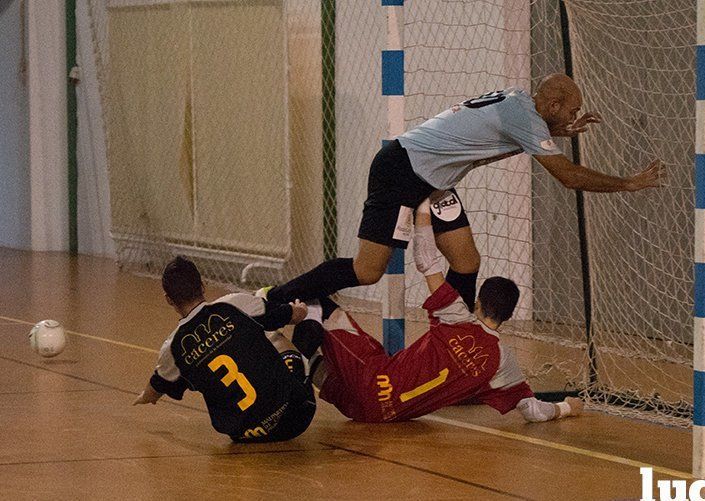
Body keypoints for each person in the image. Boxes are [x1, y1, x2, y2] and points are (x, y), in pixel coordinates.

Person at [264, 73, 664, 310]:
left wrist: (556, 129)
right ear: (554, 102)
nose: (574, 116)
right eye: (571, 111)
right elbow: (568, 177)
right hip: (402, 171)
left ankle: (451, 345)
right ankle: (276, 298)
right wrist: (628, 183)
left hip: (434, 183)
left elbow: (502, 135)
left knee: (466, 261)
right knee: (368, 272)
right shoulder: (523, 116)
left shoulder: (518, 102)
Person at [284, 200, 583, 424]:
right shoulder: (503, 362)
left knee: (316, 301)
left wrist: (423, 208)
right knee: (323, 369)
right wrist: (567, 407)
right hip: (379, 415)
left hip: (374, 381)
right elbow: (533, 411)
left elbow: (427, 261)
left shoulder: (456, 317)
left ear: (477, 302)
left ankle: (274, 336)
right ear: (508, 316)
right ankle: (299, 365)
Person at [133, 256, 316, 443]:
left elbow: (154, 389)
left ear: (169, 300)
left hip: (246, 434)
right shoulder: (234, 303)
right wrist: (300, 309)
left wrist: (144, 397)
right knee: (278, 333)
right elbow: (294, 316)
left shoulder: (172, 349)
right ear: (202, 285)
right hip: (296, 416)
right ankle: (317, 364)